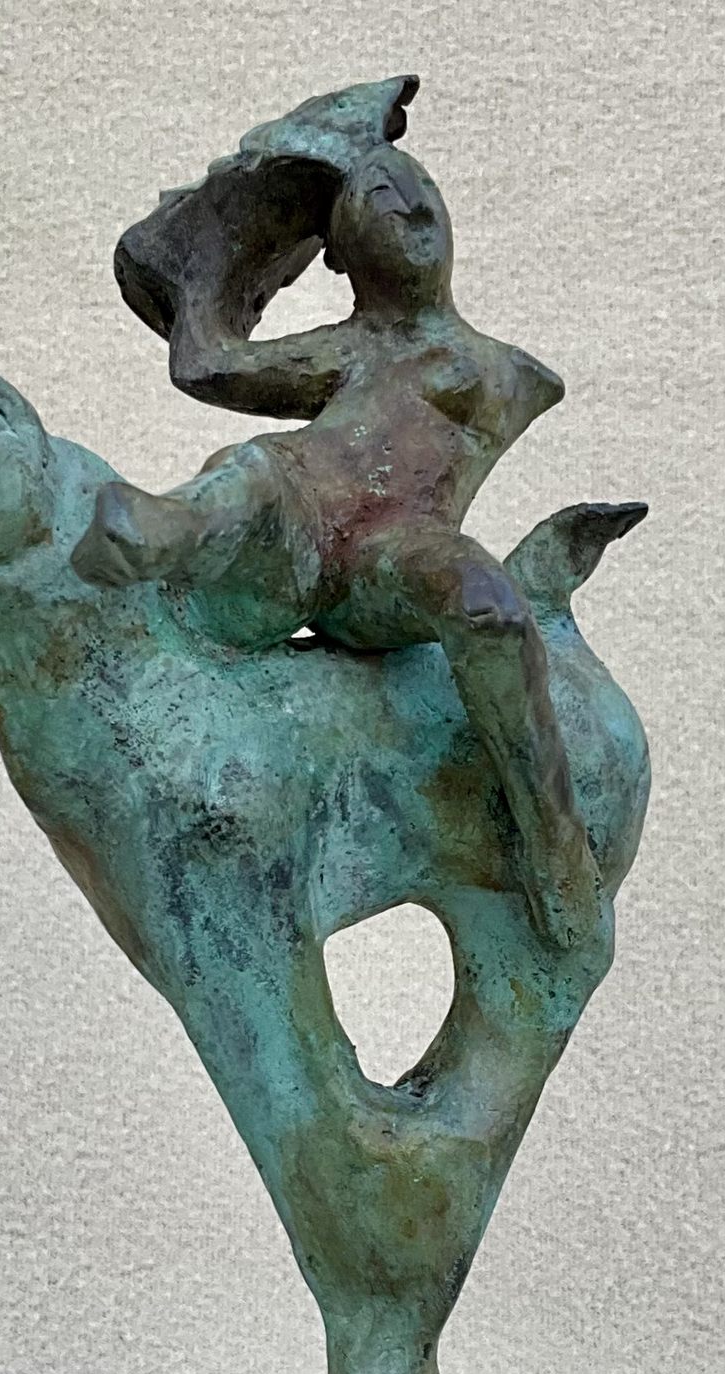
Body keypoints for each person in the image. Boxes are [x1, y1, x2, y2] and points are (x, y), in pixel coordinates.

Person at [70, 136, 603, 954]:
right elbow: (208, 364)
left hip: (395, 556)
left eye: (421, 194)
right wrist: (212, 247)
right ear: (343, 255)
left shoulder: (508, 372)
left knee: (486, 601)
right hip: (298, 532)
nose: (409, 207)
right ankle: (158, 533)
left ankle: (554, 843)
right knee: (258, 469)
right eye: (381, 202)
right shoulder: (351, 346)